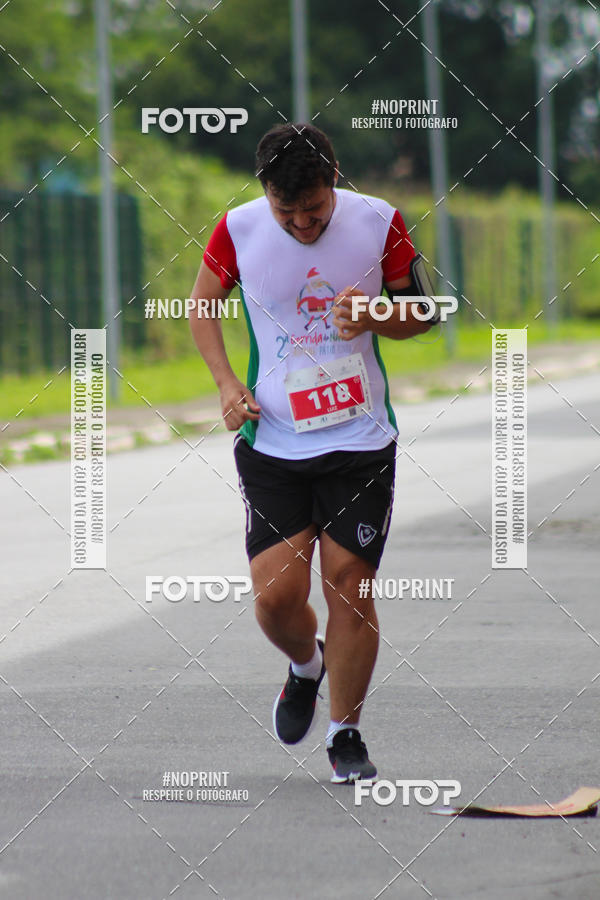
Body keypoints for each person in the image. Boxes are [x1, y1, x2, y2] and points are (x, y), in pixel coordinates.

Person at [189, 123, 432, 783]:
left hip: (358, 440)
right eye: (285, 211)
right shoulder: (236, 228)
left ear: (334, 182)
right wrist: (225, 384)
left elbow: (426, 311)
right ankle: (305, 666)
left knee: (349, 587)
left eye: (314, 210)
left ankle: (345, 734)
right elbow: (201, 305)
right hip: (272, 440)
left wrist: (379, 314)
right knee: (276, 598)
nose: (300, 223)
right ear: (265, 194)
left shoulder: (379, 221)